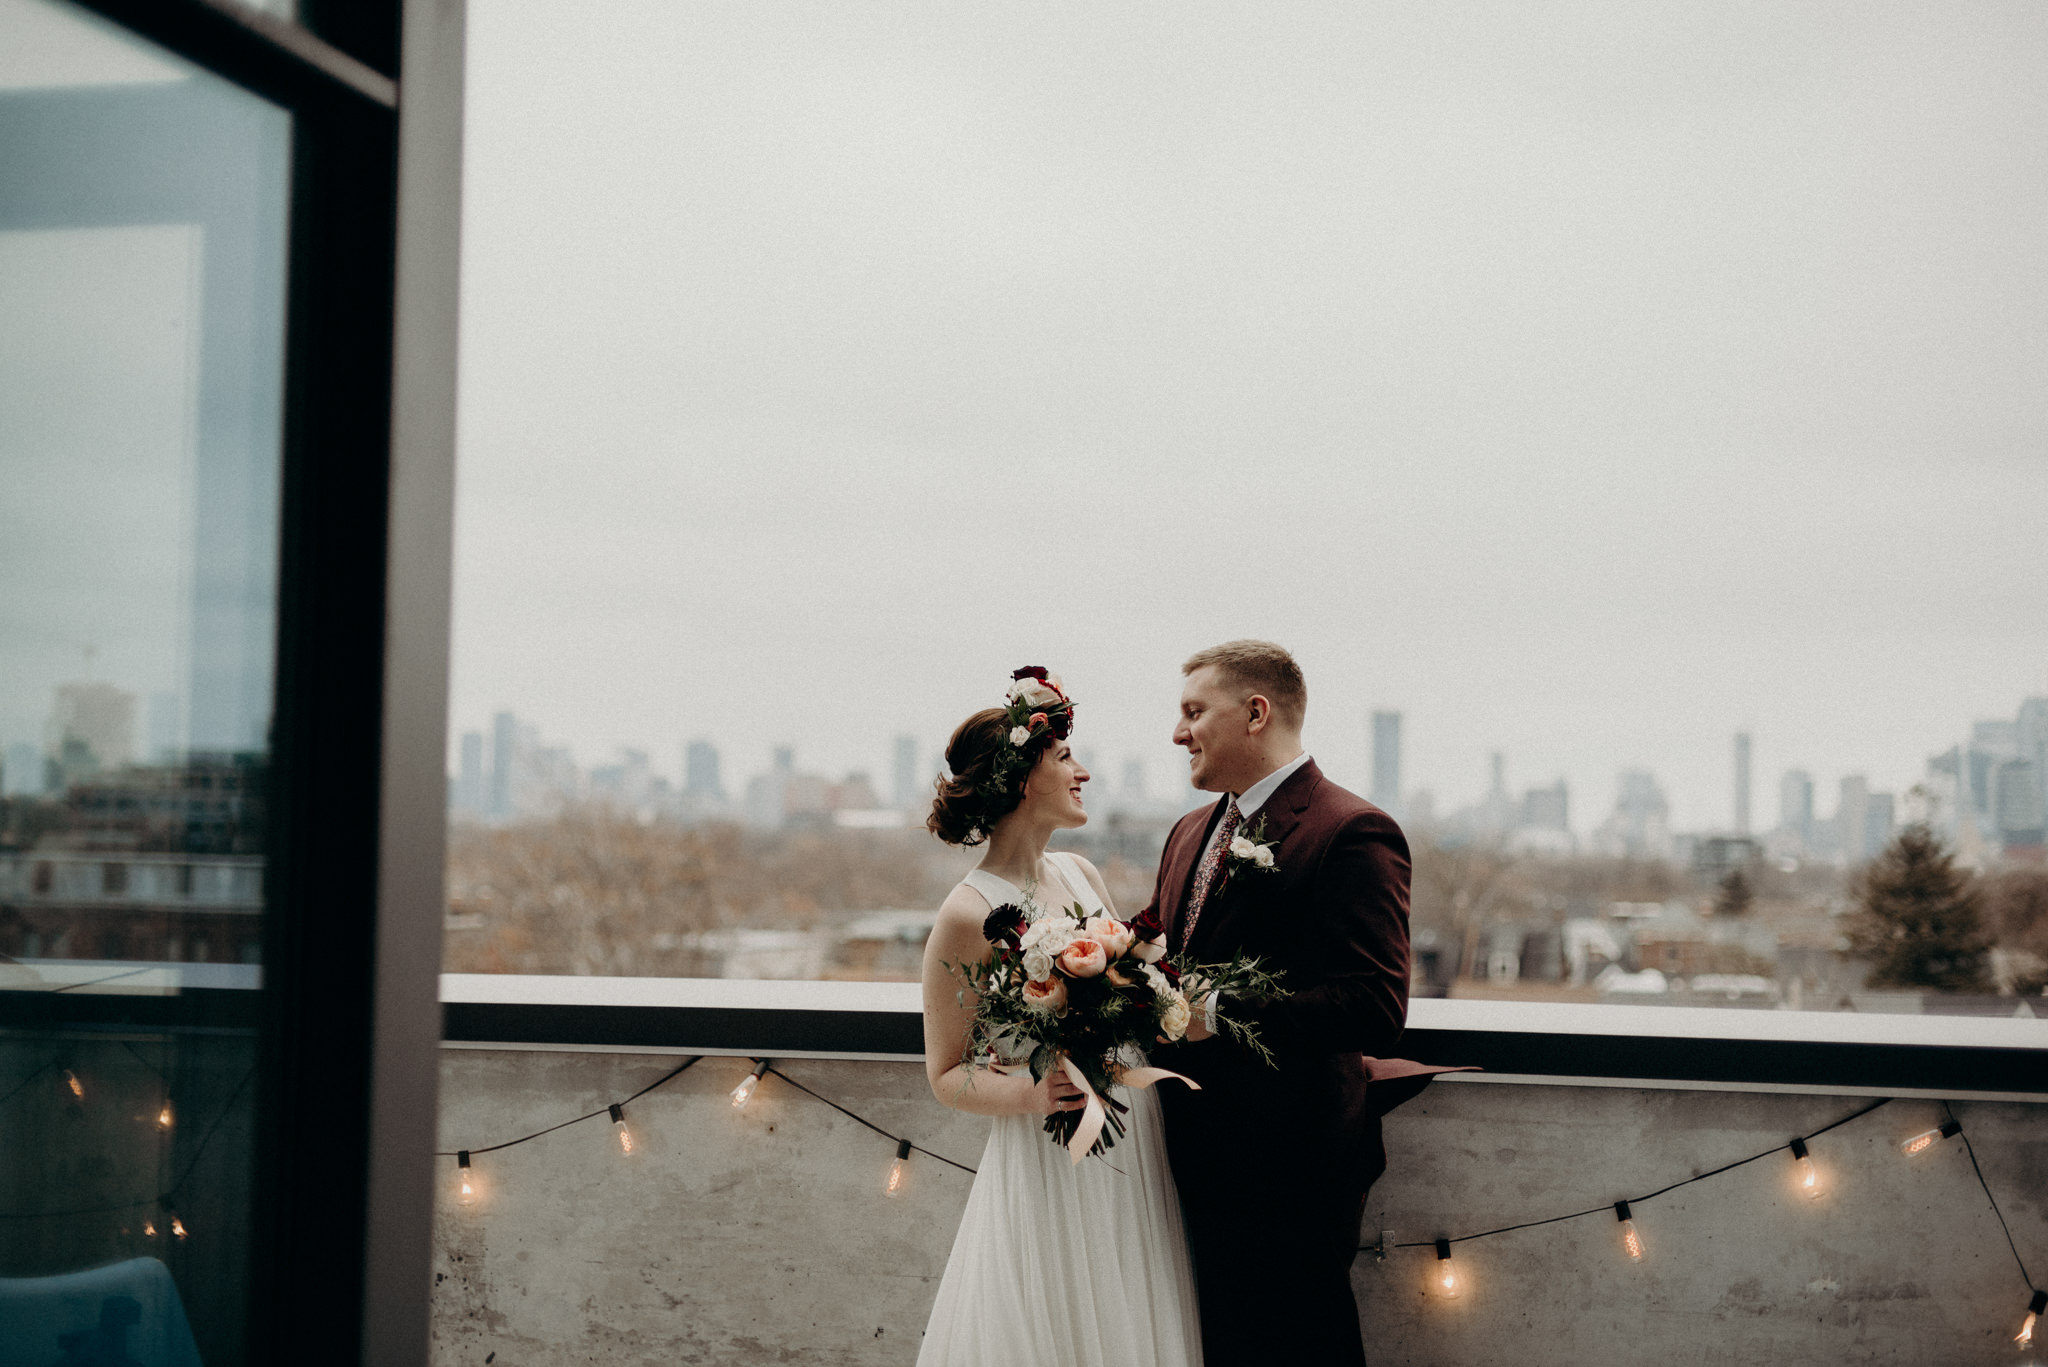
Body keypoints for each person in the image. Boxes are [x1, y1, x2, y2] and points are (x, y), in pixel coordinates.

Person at [915, 672, 1203, 1367]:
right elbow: (945, 1073)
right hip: (1046, 1158)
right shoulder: (965, 914)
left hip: (1130, 1147)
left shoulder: (1080, 873)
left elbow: (1141, 985)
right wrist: (1032, 1092)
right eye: (1065, 756)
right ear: (1020, 776)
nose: (1084, 770)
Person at [1147, 640, 1416, 1367]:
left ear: (1256, 712)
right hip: (1187, 1155)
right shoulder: (1187, 832)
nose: (1178, 733)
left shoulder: (1351, 830)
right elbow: (1157, 961)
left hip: (1290, 1169)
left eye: (1194, 711)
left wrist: (1219, 1013)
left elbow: (1374, 1003)